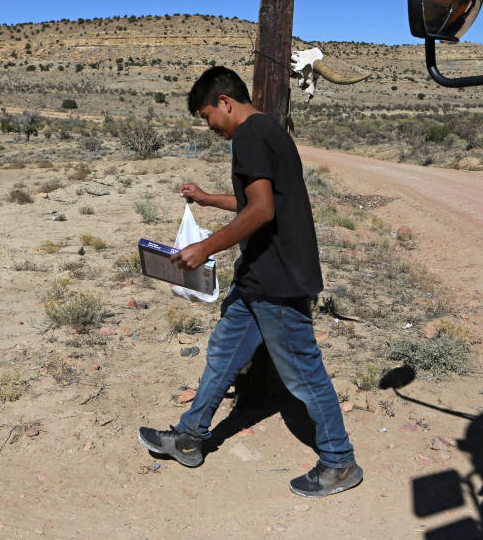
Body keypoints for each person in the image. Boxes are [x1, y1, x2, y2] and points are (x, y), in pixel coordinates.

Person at [138, 66, 362, 498]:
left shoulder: (249, 136)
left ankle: (339, 463)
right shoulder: (268, 131)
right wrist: (206, 198)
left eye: (207, 116)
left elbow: (261, 212)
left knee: (303, 374)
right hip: (258, 278)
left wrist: (205, 248)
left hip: (278, 280)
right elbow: (253, 201)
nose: (209, 126)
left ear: (225, 102)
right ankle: (190, 437)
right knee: (223, 355)